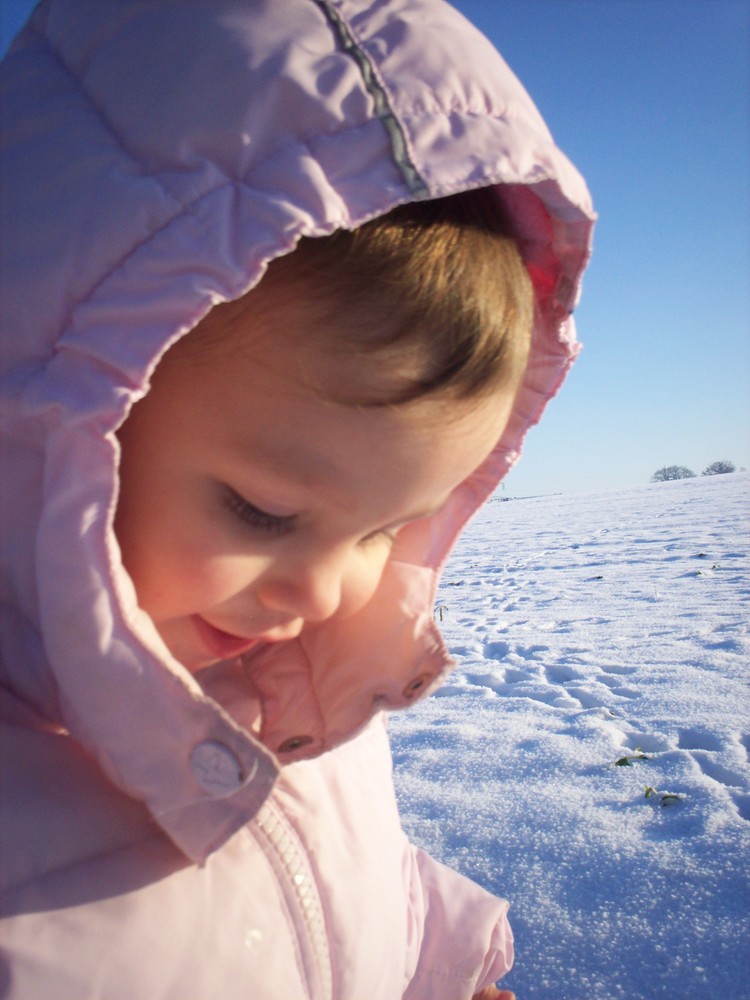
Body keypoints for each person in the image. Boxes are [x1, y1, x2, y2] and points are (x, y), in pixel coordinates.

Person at [0, 1, 594, 998]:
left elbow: (338, 882)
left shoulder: (295, 690)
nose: (327, 592)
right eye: (265, 512)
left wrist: (438, 970)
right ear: (52, 430)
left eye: (389, 526)